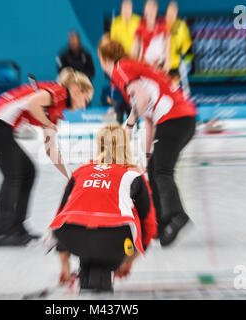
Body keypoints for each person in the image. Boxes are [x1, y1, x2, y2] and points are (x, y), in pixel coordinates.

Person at [98, 38, 197, 247]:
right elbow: (150, 118)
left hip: (175, 119)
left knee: (162, 171)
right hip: (179, 120)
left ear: (103, 58)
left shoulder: (120, 68)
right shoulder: (135, 68)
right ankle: (161, 225)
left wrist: (128, 125)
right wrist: (147, 153)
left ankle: (177, 216)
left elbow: (142, 100)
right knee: (154, 169)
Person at [0, 68, 94, 247]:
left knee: (28, 171)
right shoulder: (58, 92)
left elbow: (51, 150)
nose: (83, 106)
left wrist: (70, 176)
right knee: (14, 175)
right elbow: (34, 103)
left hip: (0, 129)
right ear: (76, 89)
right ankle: (1, 232)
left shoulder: (56, 108)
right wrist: (47, 123)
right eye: (86, 100)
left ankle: (17, 227)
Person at [48, 125, 157, 292]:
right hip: (115, 241)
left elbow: (60, 216)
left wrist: (64, 264)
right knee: (125, 218)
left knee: (82, 223)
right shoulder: (134, 175)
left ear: (99, 145)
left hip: (71, 238)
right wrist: (129, 260)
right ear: (127, 145)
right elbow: (149, 223)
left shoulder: (81, 172)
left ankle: (87, 278)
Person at [109, 0, 141, 125]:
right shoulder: (116, 23)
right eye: (124, 8)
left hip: (134, 62)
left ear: (132, 9)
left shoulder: (138, 21)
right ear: (121, 9)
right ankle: (119, 117)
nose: (127, 11)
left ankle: (133, 118)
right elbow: (113, 44)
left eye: (129, 8)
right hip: (120, 62)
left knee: (133, 90)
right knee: (120, 89)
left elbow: (141, 40)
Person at [131, 0, 169, 71]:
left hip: (160, 65)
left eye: (153, 7)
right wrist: (132, 62)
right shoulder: (140, 26)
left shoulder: (163, 24)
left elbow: (167, 44)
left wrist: (167, 61)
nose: (151, 10)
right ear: (145, 10)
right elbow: (135, 48)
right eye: (148, 7)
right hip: (144, 65)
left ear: (156, 9)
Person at [165, 1, 193, 95]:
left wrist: (186, 65)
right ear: (167, 12)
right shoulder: (160, 25)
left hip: (176, 69)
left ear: (176, 12)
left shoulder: (181, 26)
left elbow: (188, 49)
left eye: (174, 11)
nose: (172, 14)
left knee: (178, 94)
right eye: (170, 11)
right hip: (161, 68)